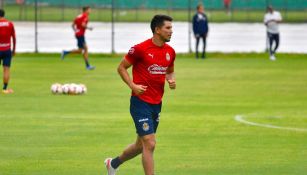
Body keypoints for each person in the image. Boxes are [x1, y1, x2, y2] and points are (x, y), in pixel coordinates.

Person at [104, 14, 176, 175]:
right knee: (150, 143)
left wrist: (171, 81)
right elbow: (121, 68)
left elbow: (170, 72)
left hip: (156, 103)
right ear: (157, 30)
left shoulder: (170, 52)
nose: (171, 31)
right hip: (140, 102)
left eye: (171, 28)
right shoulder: (140, 49)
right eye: (168, 28)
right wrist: (132, 85)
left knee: (140, 145)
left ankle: (112, 163)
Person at [0, 9, 16, 94]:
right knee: (6, 69)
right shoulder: (10, 24)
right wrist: (14, 50)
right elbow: (14, 37)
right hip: (7, 50)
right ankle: (5, 89)